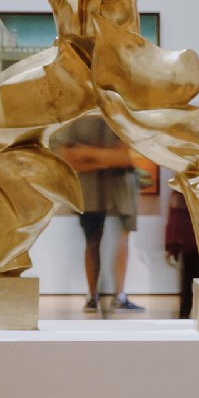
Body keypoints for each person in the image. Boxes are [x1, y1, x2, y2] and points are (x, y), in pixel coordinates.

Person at [57, 113, 143, 312]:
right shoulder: (77, 116)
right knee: (92, 240)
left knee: (121, 238)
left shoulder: (123, 113)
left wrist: (87, 152)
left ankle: (118, 295)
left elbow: (128, 157)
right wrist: (107, 158)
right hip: (90, 189)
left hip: (120, 188)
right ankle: (93, 295)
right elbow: (69, 157)